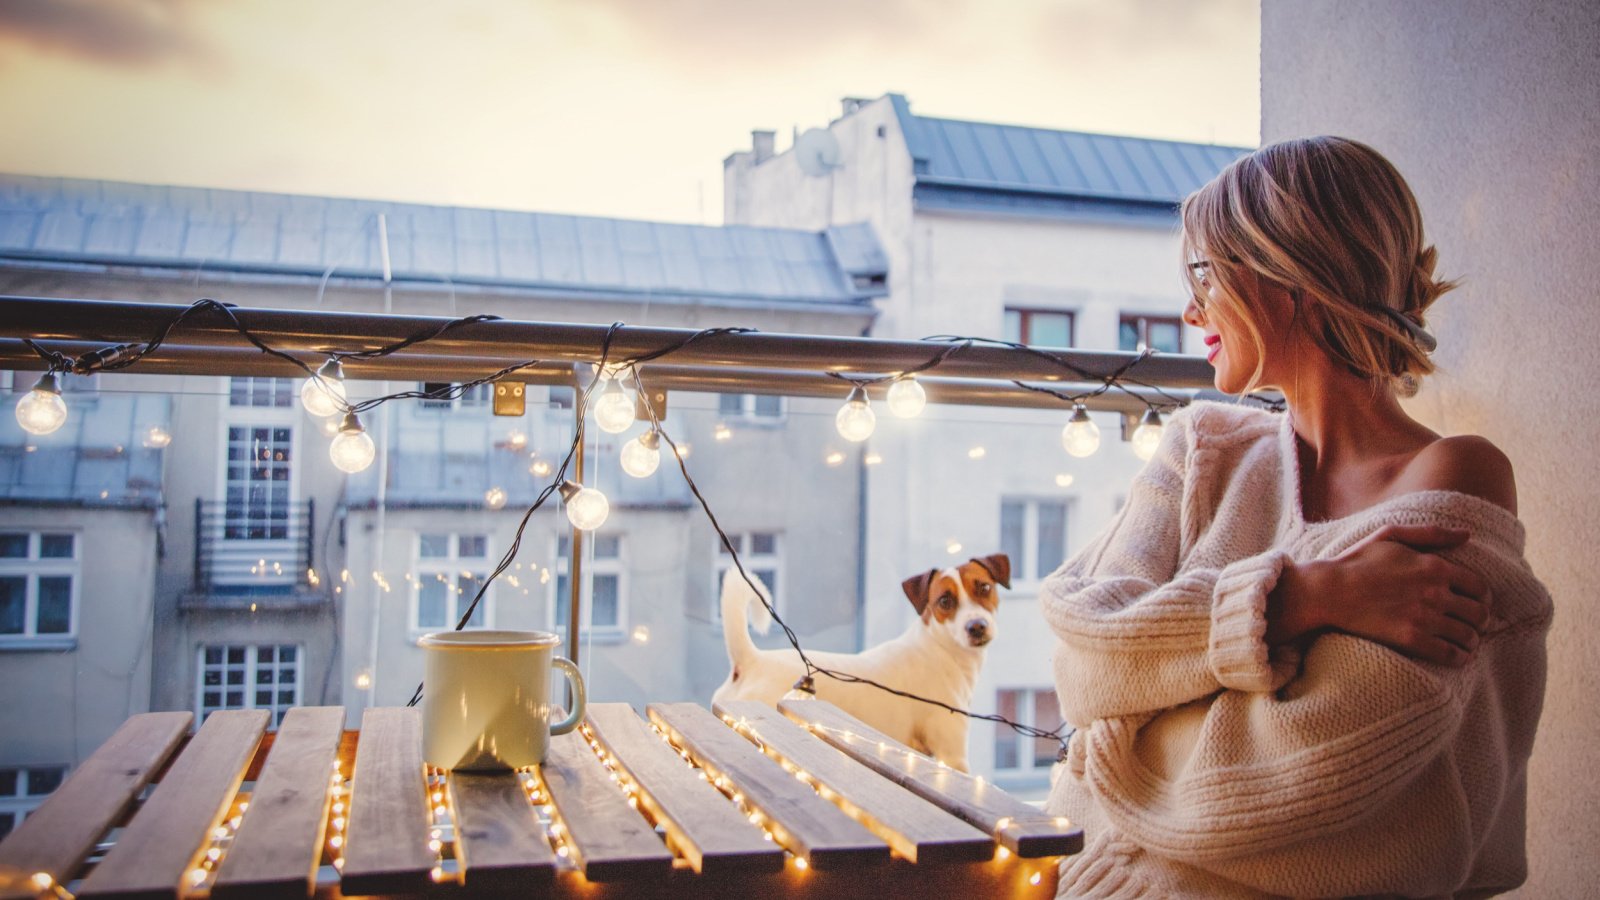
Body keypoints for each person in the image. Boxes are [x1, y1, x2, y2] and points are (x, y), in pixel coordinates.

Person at [1040, 136, 1551, 898]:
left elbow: (1301, 780)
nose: (1190, 308)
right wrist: (1303, 598)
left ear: (1290, 272)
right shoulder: (1203, 448)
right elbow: (1084, 669)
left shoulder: (1453, 475)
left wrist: (1138, 714)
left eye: (1205, 274)